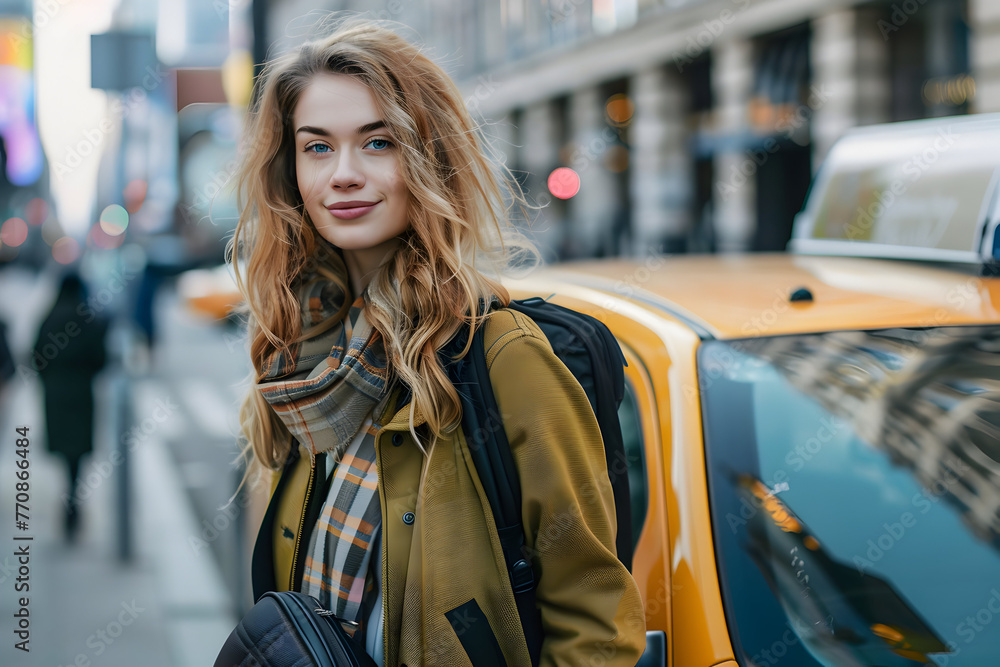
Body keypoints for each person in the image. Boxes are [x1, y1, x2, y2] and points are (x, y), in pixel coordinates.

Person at [229, 17, 645, 666]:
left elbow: (596, 627)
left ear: (427, 158)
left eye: (377, 142)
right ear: (290, 175)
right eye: (317, 147)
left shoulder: (505, 359)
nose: (342, 174)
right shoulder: (304, 363)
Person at [33, 273, 109, 542]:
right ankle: (73, 497)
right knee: (77, 452)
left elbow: (36, 357)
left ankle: (69, 496)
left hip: (54, 396)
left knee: (64, 449)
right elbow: (101, 359)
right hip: (80, 395)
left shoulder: (48, 318)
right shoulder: (86, 320)